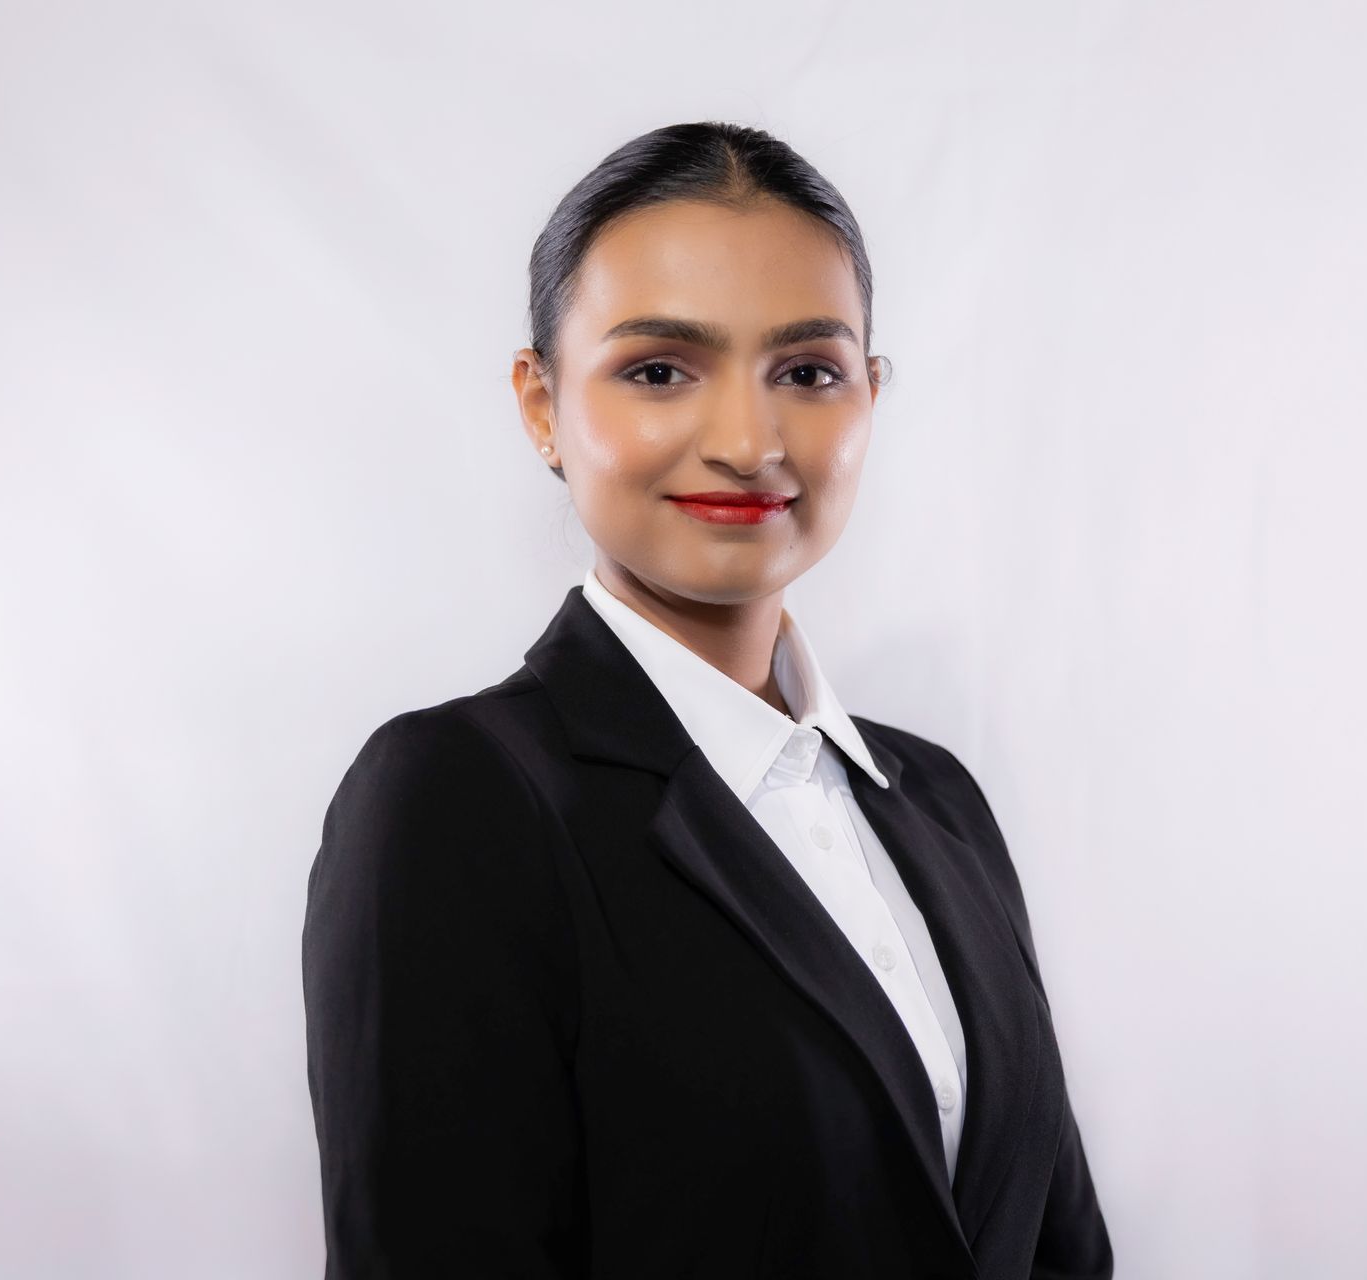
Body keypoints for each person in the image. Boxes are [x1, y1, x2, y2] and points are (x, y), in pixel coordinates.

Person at [301, 120, 1113, 1279]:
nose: (747, 439)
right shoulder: (459, 800)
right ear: (542, 405)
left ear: (871, 396)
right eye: (660, 370)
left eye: (809, 372)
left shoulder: (936, 798)